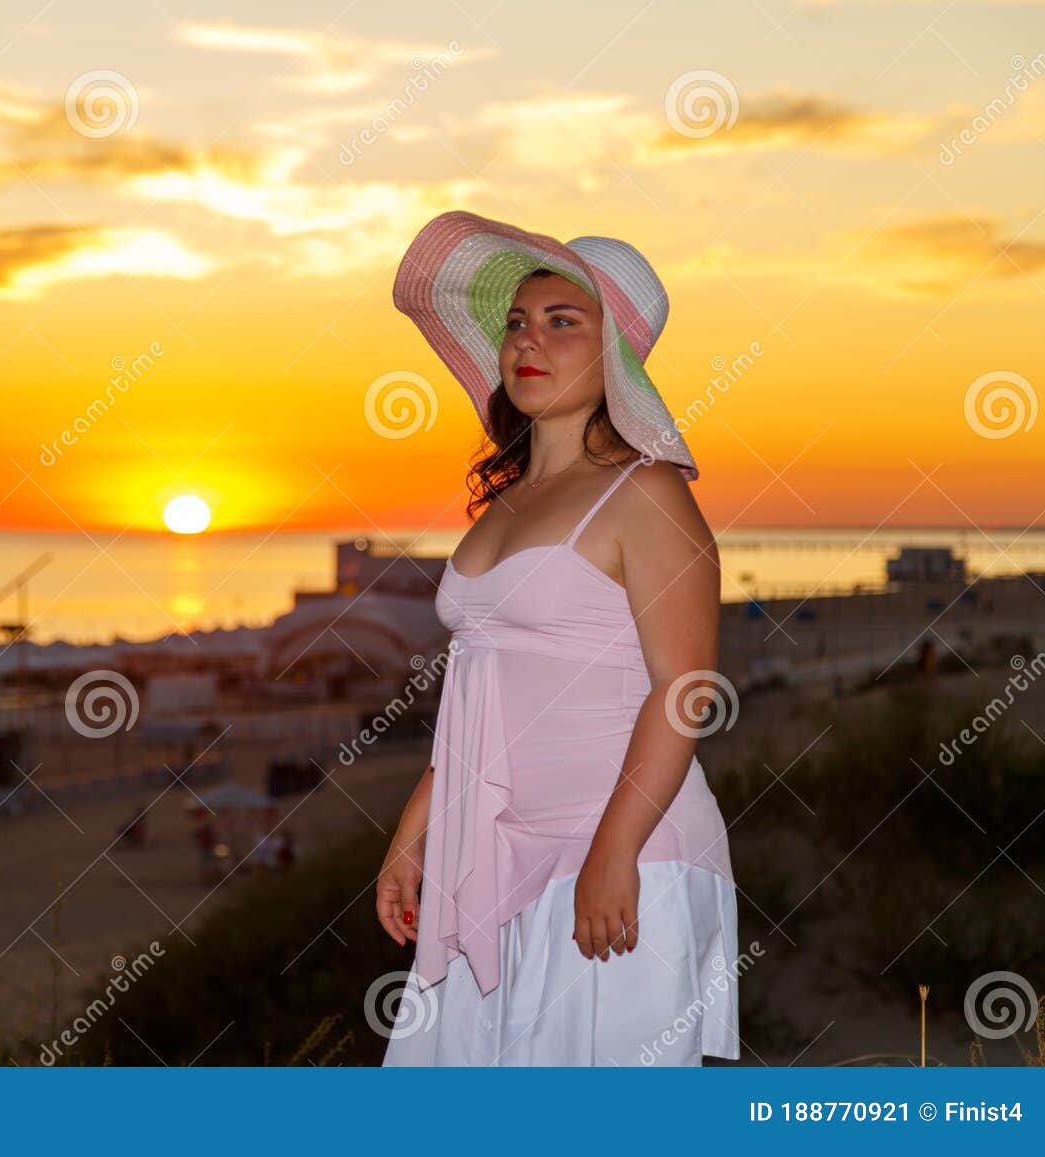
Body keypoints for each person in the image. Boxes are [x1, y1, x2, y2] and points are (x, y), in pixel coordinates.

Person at [377, 213, 739, 1067]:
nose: (526, 341)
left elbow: (684, 688)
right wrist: (409, 839)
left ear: (614, 352)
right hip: (494, 856)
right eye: (515, 323)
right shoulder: (502, 503)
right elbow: (482, 698)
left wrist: (616, 853)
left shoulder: (646, 493)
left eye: (561, 322)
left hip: (622, 848)